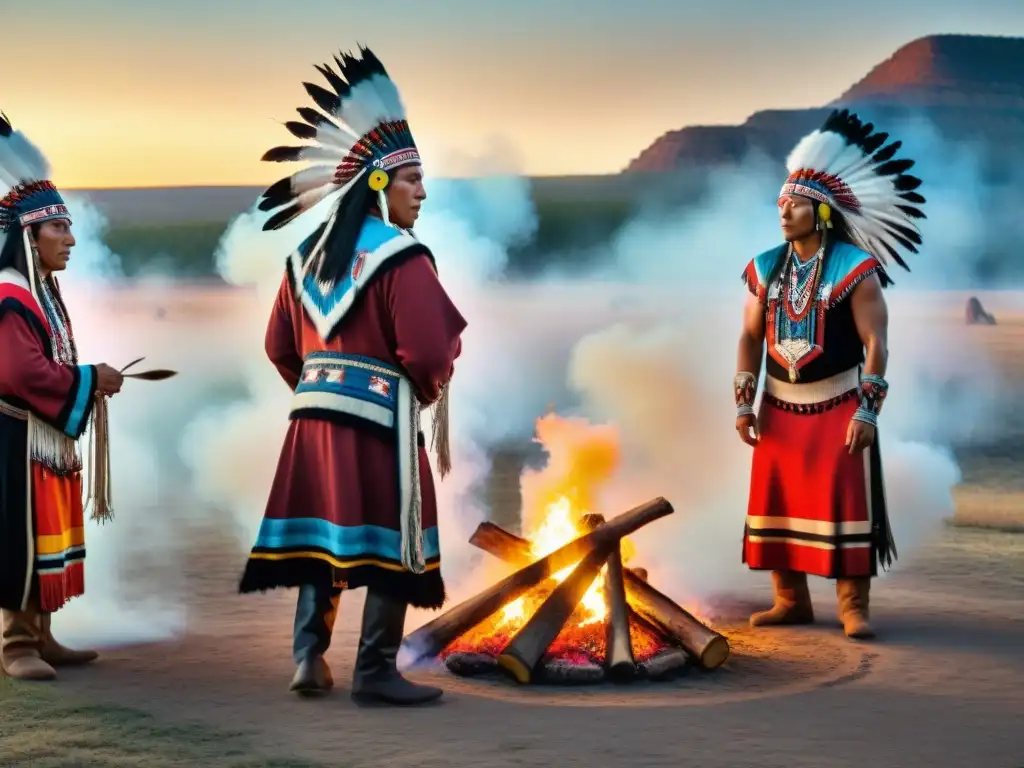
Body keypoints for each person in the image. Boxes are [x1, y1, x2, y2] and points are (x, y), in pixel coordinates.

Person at [238, 46, 467, 705]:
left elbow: (278, 346)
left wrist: (319, 396)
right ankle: (374, 671)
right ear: (378, 184)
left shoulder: (302, 258)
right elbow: (426, 351)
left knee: (328, 533)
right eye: (413, 180)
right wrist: (417, 391)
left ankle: (309, 660)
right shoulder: (402, 257)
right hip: (381, 423)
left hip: (311, 424)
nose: (423, 193)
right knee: (396, 532)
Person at [735, 109, 927, 640]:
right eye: (780, 202)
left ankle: (852, 607)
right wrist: (742, 402)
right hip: (777, 407)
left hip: (839, 405)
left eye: (794, 203)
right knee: (778, 500)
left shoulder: (855, 268)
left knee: (844, 502)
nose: (784, 210)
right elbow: (751, 337)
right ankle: (789, 600)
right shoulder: (764, 266)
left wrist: (868, 410)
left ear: (821, 211)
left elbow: (875, 343)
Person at [0, 112, 124, 680]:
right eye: (59, 230)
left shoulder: (39, 293)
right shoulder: (11, 296)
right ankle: (16, 645)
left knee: (43, 529)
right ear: (30, 235)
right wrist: (89, 379)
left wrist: (87, 378)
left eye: (70, 228)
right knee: (17, 534)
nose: (71, 240)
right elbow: (22, 374)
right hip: (14, 439)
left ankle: (42, 634)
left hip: (37, 439)